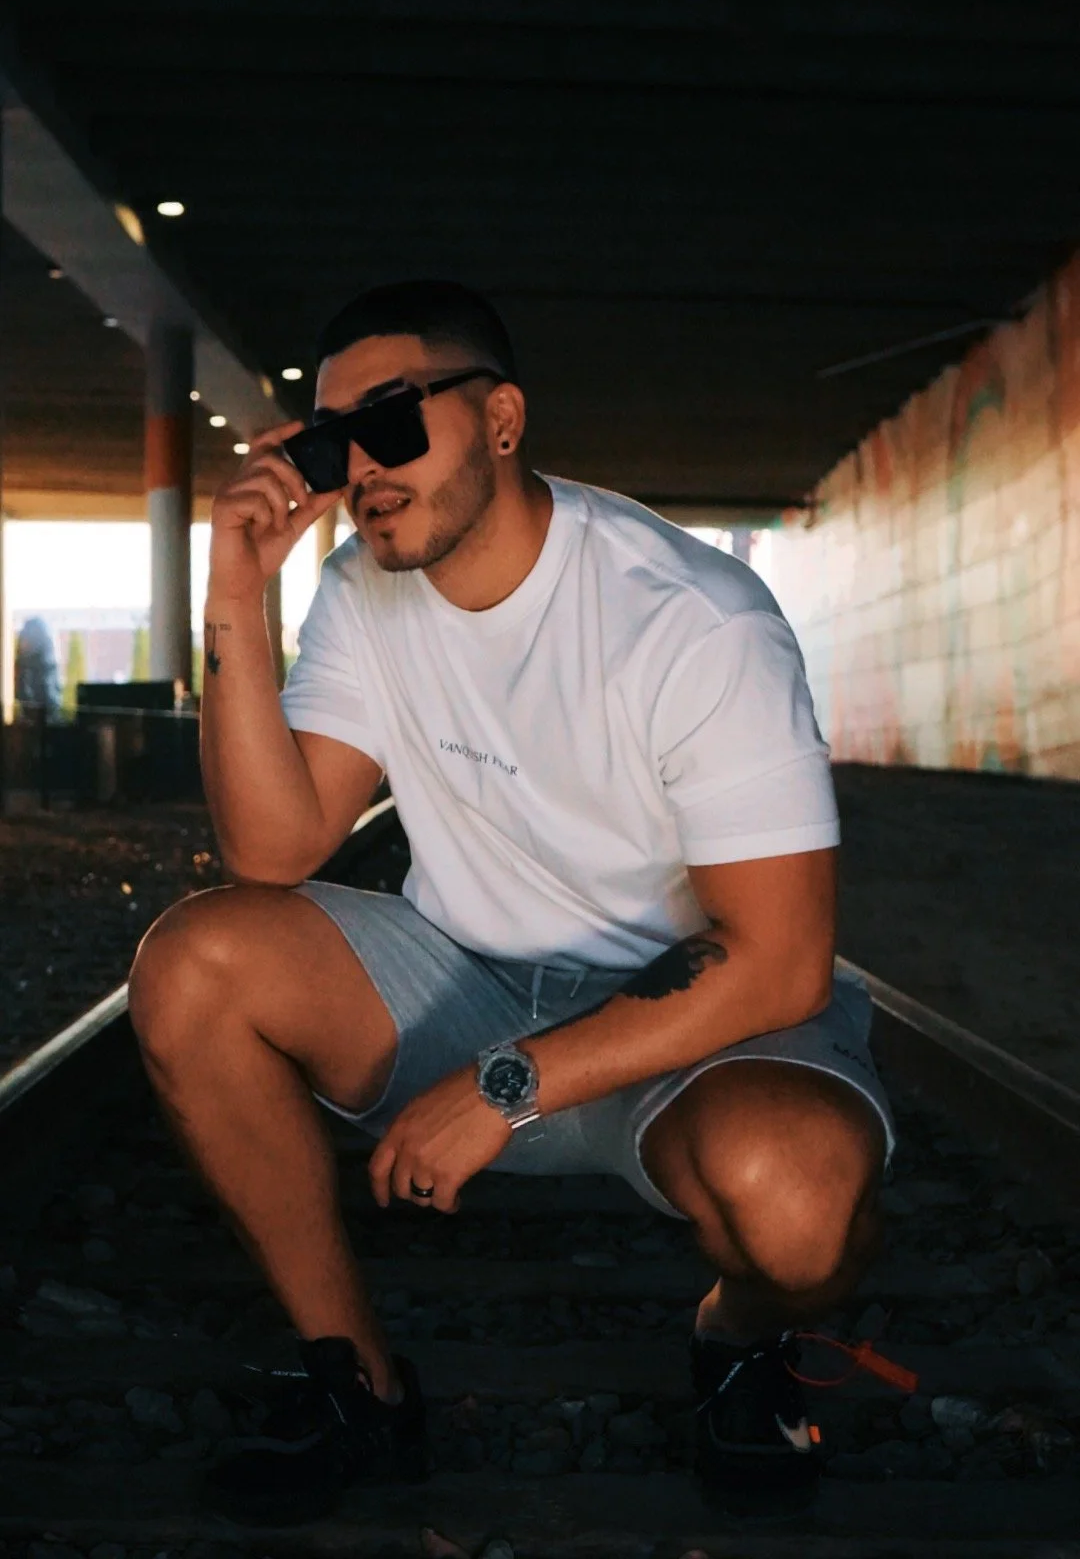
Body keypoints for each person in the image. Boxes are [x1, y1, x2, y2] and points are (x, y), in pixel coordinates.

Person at [128, 280, 892, 1526]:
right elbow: (274, 851)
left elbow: (784, 965)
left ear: (501, 419)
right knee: (192, 961)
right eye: (328, 443)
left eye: (390, 423)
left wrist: (507, 1087)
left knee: (799, 1204)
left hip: (684, 1028)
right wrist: (234, 598)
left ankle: (741, 1342)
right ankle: (357, 1387)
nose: (357, 469)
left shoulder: (690, 619)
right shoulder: (360, 596)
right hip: (464, 978)